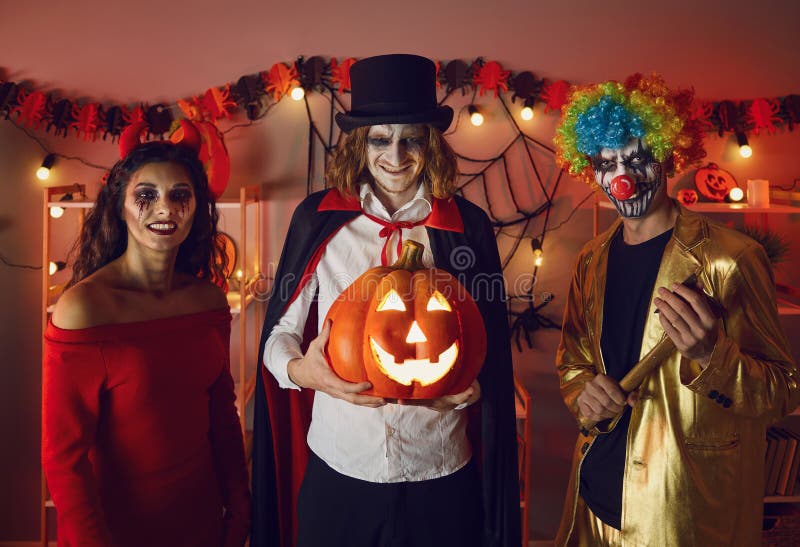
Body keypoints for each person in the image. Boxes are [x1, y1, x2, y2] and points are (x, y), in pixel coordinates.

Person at [251, 54, 520, 547]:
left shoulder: (465, 226)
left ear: (430, 143)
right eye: (380, 138)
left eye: (410, 138)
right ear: (360, 143)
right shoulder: (319, 220)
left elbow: (487, 347)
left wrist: (476, 388)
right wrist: (299, 371)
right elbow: (278, 336)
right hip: (340, 466)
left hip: (438, 467)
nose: (395, 155)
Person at [552, 74, 800, 546]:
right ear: (592, 170)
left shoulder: (731, 259)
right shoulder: (591, 258)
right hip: (595, 503)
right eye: (606, 163)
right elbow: (574, 362)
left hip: (682, 508)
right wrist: (584, 393)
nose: (621, 178)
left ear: (669, 154)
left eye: (638, 159)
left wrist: (713, 355)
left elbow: (783, 392)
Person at [42, 127, 251, 547]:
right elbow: (64, 459)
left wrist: (240, 508)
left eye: (180, 194)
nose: (166, 209)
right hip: (115, 532)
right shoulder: (83, 310)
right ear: (119, 206)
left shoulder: (208, 301)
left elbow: (222, 417)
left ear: (197, 209)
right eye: (146, 195)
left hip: (202, 524)